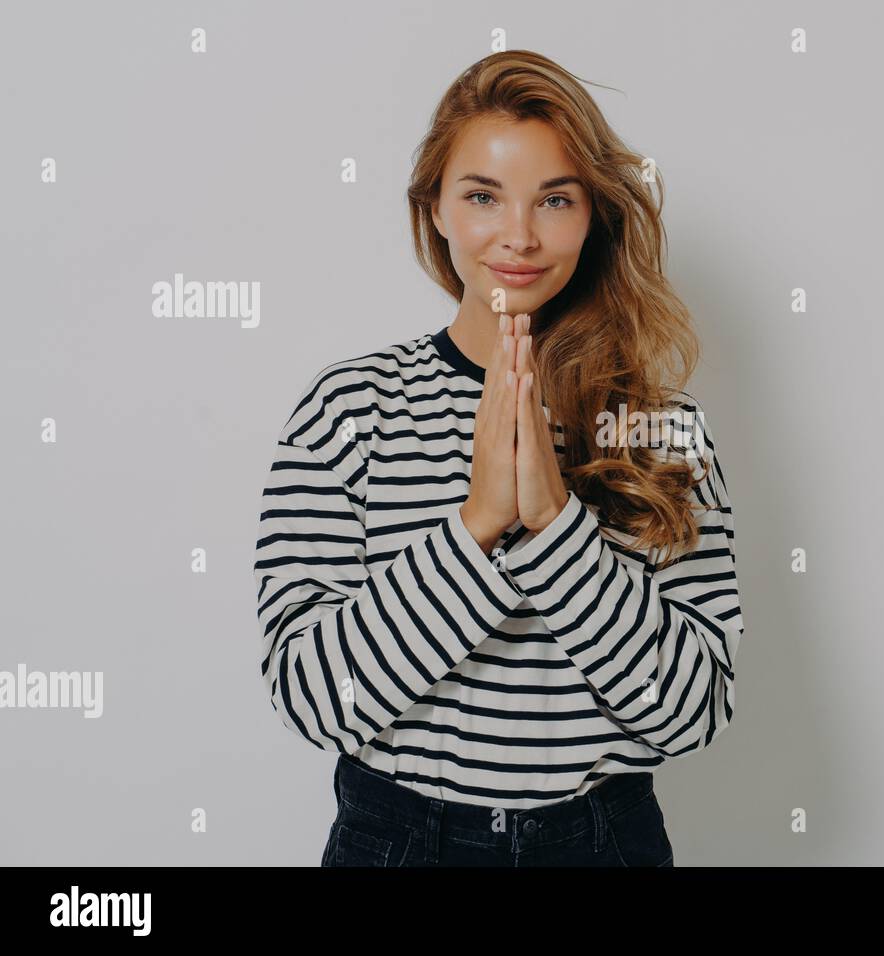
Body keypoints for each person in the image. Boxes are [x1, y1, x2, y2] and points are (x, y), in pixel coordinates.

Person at [253, 50, 744, 866]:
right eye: (483, 196)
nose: (518, 236)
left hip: (601, 841)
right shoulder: (348, 410)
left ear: (594, 219)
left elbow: (693, 712)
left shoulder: (662, 429)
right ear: (436, 210)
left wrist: (553, 524)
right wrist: (477, 523)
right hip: (400, 839)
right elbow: (313, 701)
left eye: (555, 199)